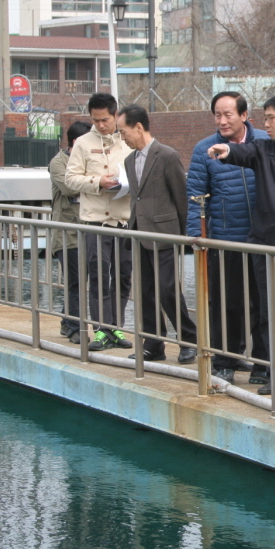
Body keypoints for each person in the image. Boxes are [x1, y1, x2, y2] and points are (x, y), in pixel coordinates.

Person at [207, 94, 275, 396]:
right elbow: (240, 152)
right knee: (270, 313)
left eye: (271, 117)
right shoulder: (262, 149)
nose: (266, 123)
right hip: (266, 247)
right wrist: (224, 149)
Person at [186, 91, 269, 383]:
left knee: (263, 304)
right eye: (217, 115)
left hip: (261, 239)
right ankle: (225, 360)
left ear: (244, 116)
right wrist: (197, 236)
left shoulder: (264, 142)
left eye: (228, 114)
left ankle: (263, 363)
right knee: (226, 304)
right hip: (224, 238)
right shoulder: (204, 149)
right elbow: (195, 196)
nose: (222, 121)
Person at [118, 104, 198, 364]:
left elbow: (181, 198)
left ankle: (189, 340)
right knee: (146, 291)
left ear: (138, 127)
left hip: (165, 233)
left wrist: (185, 237)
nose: (122, 137)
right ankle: (154, 344)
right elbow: (136, 198)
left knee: (167, 289)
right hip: (140, 232)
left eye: (123, 131)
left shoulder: (167, 155)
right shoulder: (129, 160)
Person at [64, 92, 134, 352]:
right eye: (95, 120)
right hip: (95, 220)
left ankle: (115, 325)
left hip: (123, 220)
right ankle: (101, 329)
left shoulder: (127, 141)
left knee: (123, 277)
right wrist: (97, 182)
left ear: (116, 115)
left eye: (105, 120)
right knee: (98, 275)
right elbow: (71, 180)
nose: (100, 125)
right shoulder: (82, 143)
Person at [49, 119, 91, 344]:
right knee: (75, 280)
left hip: (87, 228)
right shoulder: (58, 162)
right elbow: (68, 186)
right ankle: (75, 327)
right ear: (76, 142)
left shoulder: (89, 160)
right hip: (66, 233)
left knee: (82, 279)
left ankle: (67, 321)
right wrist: (96, 182)